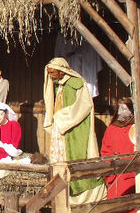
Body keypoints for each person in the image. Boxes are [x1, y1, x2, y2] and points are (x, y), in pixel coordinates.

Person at [43, 57, 105, 203]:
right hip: (61, 130)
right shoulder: (59, 86)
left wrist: (62, 117)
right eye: (50, 73)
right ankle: (62, 194)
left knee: (78, 157)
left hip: (76, 130)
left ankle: (81, 196)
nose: (51, 76)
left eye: (53, 73)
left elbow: (84, 106)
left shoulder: (77, 84)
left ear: (61, 71)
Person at [101, 98, 137, 213]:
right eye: (120, 108)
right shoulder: (112, 128)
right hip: (115, 171)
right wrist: (109, 167)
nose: (122, 112)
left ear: (132, 112)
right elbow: (106, 150)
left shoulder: (135, 128)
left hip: (130, 172)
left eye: (125, 109)